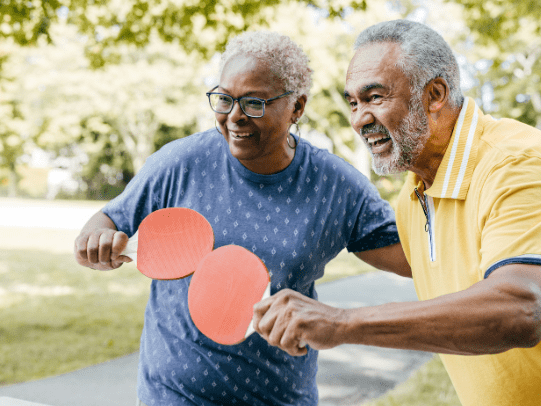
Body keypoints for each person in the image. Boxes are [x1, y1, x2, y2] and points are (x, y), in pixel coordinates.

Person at [253, 20, 541, 405]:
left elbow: (519, 309)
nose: (359, 118)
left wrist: (343, 321)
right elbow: (410, 257)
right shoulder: (416, 190)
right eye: (353, 102)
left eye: (374, 97)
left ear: (435, 94)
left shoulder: (518, 164)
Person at [74, 31, 410, 406]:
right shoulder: (179, 163)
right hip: (172, 396)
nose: (234, 116)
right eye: (224, 99)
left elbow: (418, 261)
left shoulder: (336, 186)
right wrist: (96, 242)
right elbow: (105, 223)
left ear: (297, 108)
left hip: (280, 397)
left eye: (253, 102)